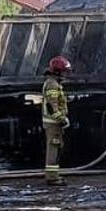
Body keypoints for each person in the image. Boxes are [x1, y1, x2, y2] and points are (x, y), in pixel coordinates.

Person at [41, 55, 71, 186]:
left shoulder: (54, 83)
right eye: (64, 71)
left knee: (57, 147)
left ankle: (54, 175)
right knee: (53, 149)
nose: (66, 74)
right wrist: (62, 119)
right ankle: (52, 177)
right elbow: (52, 106)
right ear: (58, 71)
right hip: (54, 123)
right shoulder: (52, 84)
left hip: (54, 123)